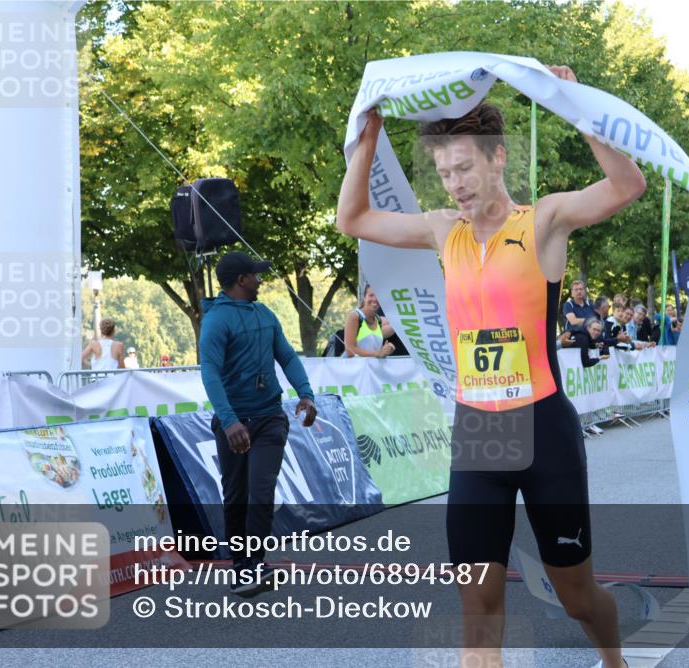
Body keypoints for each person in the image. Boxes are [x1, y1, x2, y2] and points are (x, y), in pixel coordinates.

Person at [337, 69, 645, 668]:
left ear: (498, 158)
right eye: (445, 173)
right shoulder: (441, 230)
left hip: (542, 428)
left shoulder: (544, 220)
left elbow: (625, 185)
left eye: (464, 170)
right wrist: (367, 138)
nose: (454, 185)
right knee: (477, 609)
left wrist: (574, 107)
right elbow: (354, 219)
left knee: (577, 597)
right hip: (480, 431)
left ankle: (614, 660)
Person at [199, 251, 318, 596]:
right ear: (241, 280)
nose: (260, 280)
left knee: (261, 490)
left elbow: (288, 356)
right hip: (234, 422)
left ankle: (253, 563)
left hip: (269, 418)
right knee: (236, 495)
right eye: (256, 275)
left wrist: (306, 394)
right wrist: (230, 420)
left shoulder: (265, 314)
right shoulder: (216, 321)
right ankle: (242, 567)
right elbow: (210, 373)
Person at [343, 285, 396, 358]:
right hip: (355, 369)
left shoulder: (378, 320)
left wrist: (387, 348)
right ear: (364, 297)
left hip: (371, 369)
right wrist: (377, 353)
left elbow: (372, 349)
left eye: (378, 295)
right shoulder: (355, 316)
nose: (375, 299)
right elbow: (350, 350)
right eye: (371, 295)